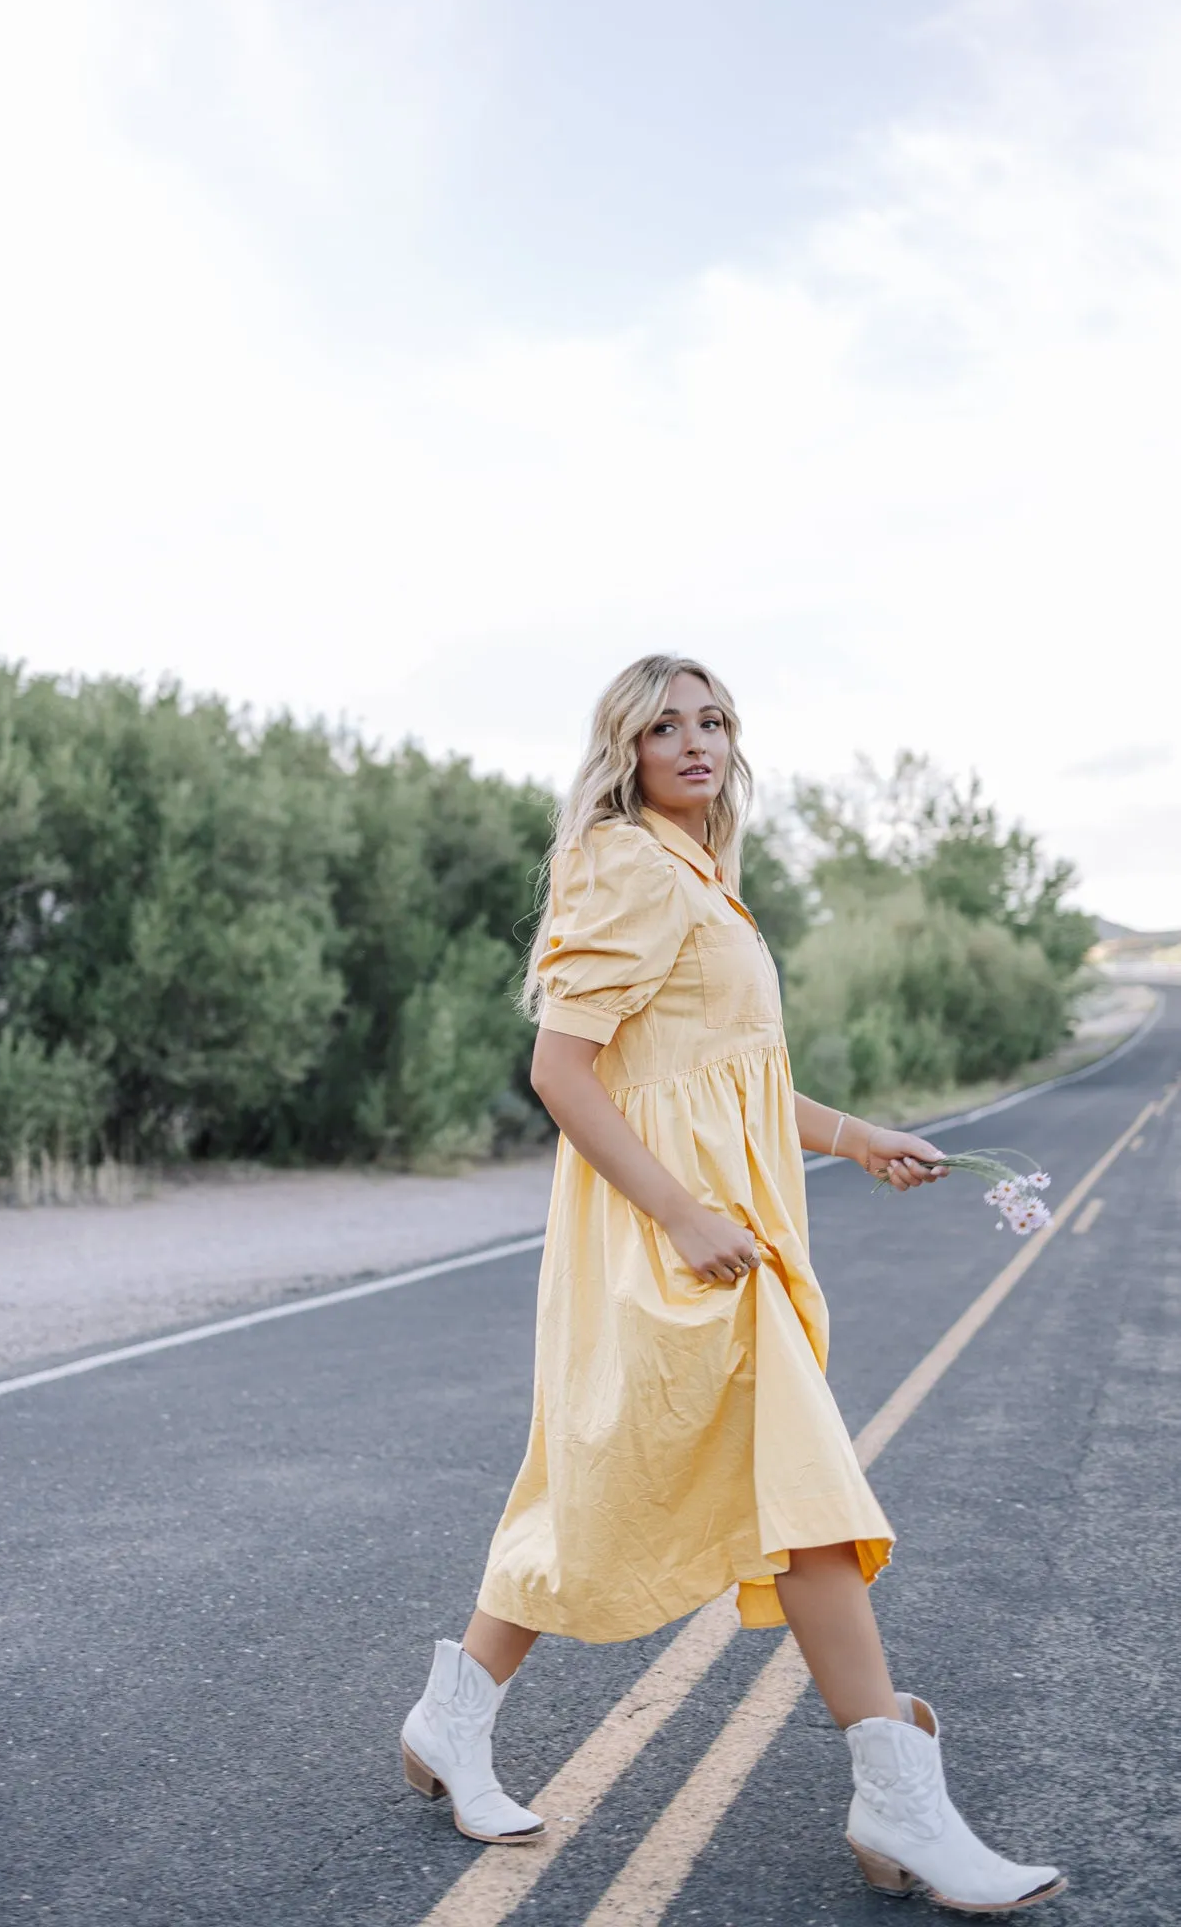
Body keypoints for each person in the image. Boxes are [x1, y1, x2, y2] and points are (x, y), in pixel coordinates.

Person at [401, 655, 1064, 1914]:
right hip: (670, 1236)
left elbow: (730, 1074)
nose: (693, 741)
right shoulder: (618, 863)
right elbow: (563, 1070)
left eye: (711, 721)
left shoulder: (704, 876)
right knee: (761, 1487)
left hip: (732, 1229)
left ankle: (452, 1714)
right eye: (664, 724)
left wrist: (856, 1134)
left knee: (606, 1489)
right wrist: (683, 1212)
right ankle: (896, 1797)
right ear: (624, 747)